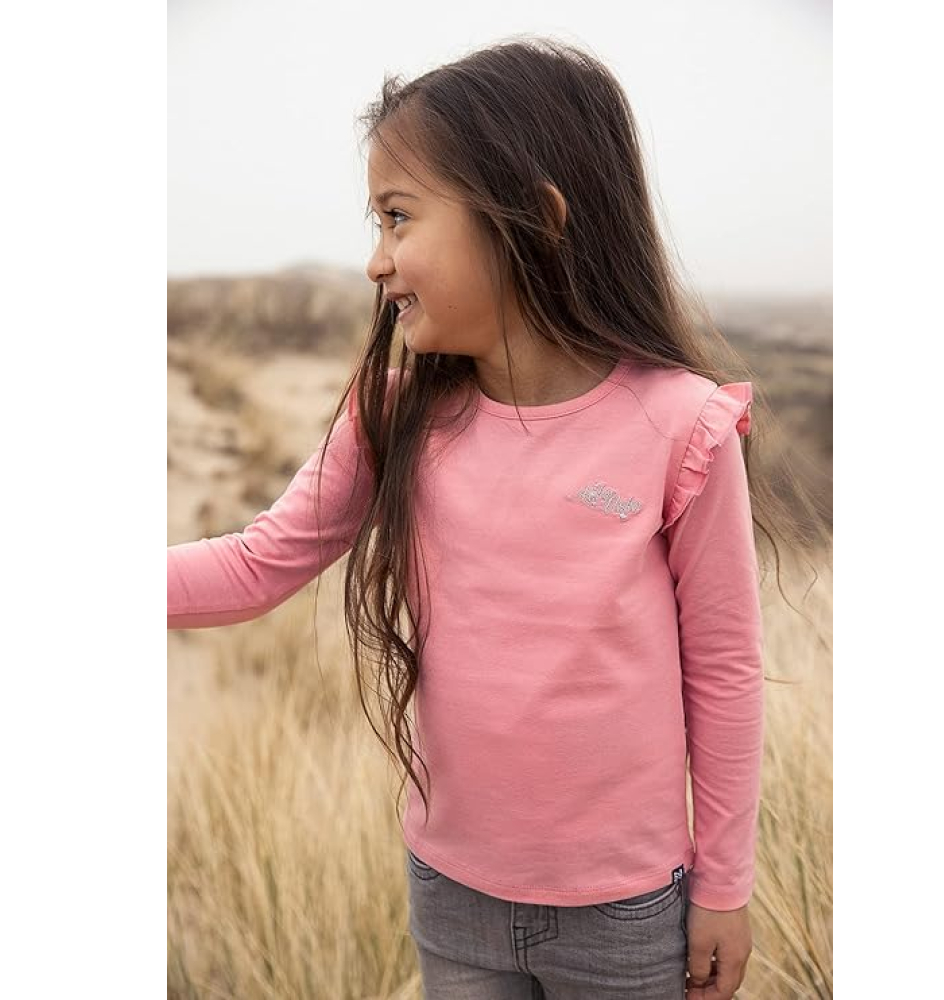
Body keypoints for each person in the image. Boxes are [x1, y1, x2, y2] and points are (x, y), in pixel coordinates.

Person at [169, 35, 820, 1000]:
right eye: (375, 223)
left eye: (399, 217)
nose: (376, 262)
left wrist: (725, 886)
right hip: (452, 895)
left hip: (628, 913)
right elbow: (256, 565)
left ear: (536, 220)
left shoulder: (682, 426)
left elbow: (722, 670)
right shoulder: (396, 413)